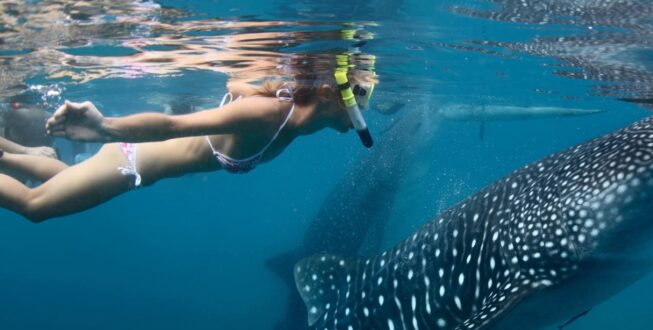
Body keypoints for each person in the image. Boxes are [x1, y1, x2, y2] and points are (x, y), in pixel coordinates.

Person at [0, 70, 376, 223]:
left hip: (135, 169)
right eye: (363, 94)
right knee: (35, 207)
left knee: (64, 178)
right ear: (331, 93)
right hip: (129, 160)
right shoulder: (270, 114)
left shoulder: (291, 116)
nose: (366, 107)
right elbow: (171, 126)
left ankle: (13, 151)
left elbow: (234, 84)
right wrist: (105, 127)